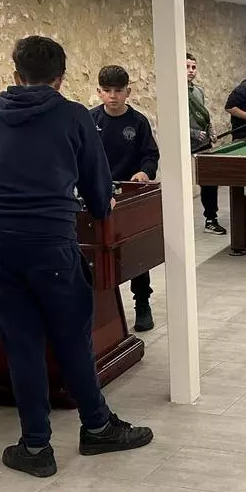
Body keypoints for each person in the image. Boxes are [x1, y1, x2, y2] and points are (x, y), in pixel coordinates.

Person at [0, 35, 154, 478]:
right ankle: (97, 427)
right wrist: (99, 203)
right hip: (50, 242)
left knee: (22, 343)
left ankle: (35, 446)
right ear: (61, 78)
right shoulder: (74, 115)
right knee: (72, 336)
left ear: (16, 75)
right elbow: (97, 190)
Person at [89, 64, 161, 332]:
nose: (113, 96)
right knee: (99, 253)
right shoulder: (90, 120)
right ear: (99, 92)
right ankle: (102, 311)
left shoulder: (138, 122)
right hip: (98, 194)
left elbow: (150, 155)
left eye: (118, 91)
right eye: (107, 90)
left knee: (134, 252)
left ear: (127, 92)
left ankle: (142, 303)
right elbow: (81, 154)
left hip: (129, 195)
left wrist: (144, 172)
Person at [187, 53, 224, 235]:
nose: (191, 71)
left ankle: (211, 219)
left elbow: (204, 116)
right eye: (187, 67)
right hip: (183, 145)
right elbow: (173, 121)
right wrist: (193, 133)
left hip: (203, 144)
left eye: (193, 67)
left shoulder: (198, 91)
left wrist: (211, 132)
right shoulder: (173, 91)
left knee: (210, 182)